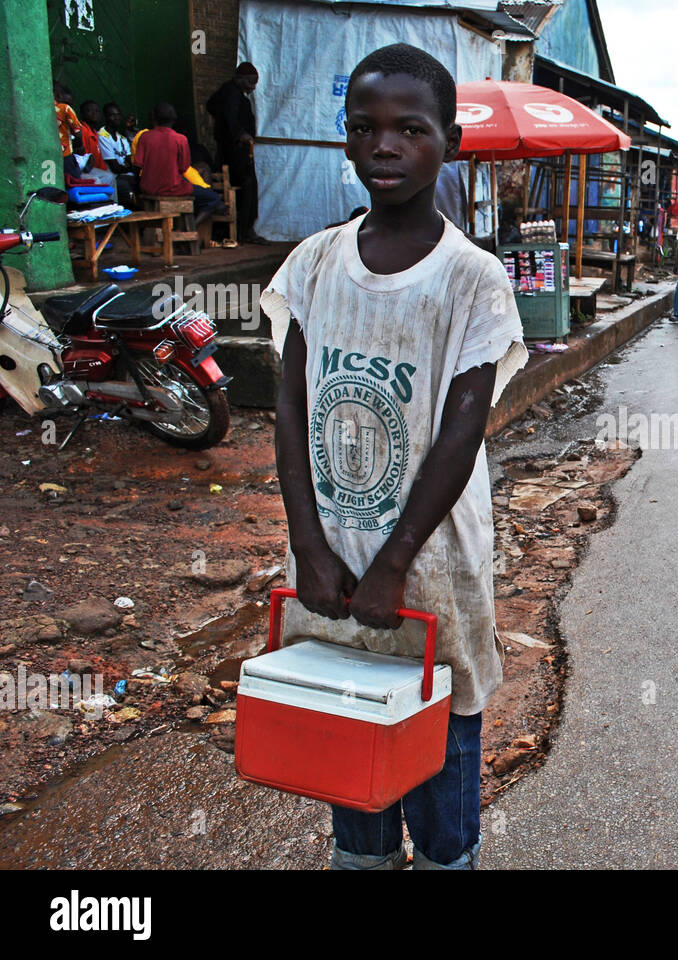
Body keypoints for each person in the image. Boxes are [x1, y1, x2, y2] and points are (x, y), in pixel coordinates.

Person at [261, 42, 526, 871]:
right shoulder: (313, 263)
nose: (384, 145)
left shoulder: (473, 280)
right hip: (334, 559)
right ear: (345, 141)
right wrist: (310, 544)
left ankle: (450, 857)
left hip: (432, 565)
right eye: (364, 127)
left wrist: (394, 562)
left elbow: (461, 431)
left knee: (440, 740)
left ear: (448, 138)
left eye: (409, 128)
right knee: (353, 752)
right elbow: (291, 405)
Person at [134, 102, 227, 227]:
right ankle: (190, 227)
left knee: (206, 196)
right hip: (171, 188)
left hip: (148, 188)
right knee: (214, 199)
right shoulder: (180, 139)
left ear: (154, 119)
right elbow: (184, 168)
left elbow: (138, 164)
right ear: (174, 118)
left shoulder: (145, 137)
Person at [207, 62, 267, 243]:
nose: (253, 87)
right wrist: (241, 135)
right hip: (234, 152)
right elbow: (230, 119)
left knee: (246, 187)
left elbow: (215, 108)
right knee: (248, 185)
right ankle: (245, 230)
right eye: (251, 82)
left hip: (232, 150)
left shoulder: (230, 93)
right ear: (240, 79)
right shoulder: (231, 93)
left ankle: (240, 229)